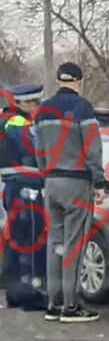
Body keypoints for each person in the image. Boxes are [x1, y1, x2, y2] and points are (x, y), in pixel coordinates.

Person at [34, 62, 105, 323]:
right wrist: (99, 182)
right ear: (79, 82)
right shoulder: (82, 108)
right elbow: (92, 147)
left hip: (51, 182)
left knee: (56, 244)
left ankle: (53, 304)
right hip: (76, 183)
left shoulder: (43, 111)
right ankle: (71, 306)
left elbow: (38, 150)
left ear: (59, 81)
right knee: (74, 245)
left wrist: (46, 175)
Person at [1, 84, 47, 310]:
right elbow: (34, 150)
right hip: (24, 187)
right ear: (24, 103)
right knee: (29, 240)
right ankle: (28, 294)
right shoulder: (18, 123)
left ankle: (16, 292)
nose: (37, 107)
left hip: (16, 187)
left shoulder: (10, 120)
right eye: (34, 103)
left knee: (17, 240)